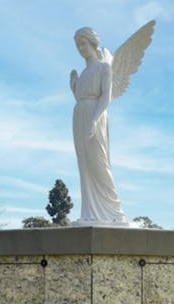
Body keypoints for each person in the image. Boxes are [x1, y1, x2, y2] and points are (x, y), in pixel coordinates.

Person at [70, 27, 129, 225]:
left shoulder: (104, 68)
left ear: (92, 44)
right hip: (80, 116)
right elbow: (82, 97)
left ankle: (114, 211)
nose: (80, 48)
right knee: (85, 164)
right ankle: (90, 213)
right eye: (77, 45)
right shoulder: (84, 72)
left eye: (83, 44)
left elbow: (105, 96)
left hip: (95, 114)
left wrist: (94, 119)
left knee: (98, 163)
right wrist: (74, 88)